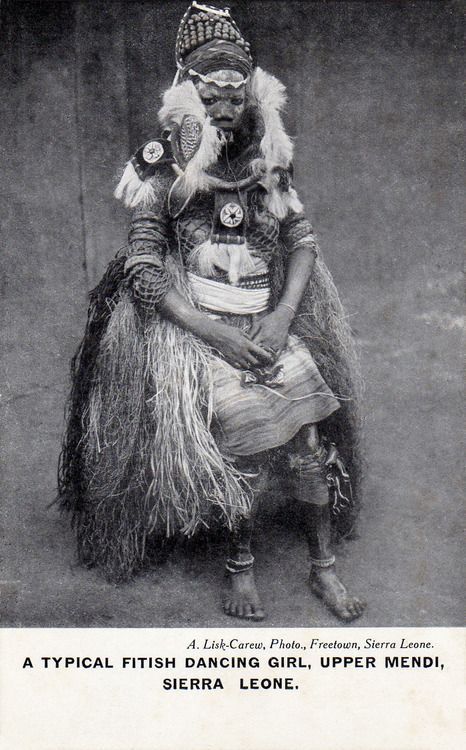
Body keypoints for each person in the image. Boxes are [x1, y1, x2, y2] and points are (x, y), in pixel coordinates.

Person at [59, 1, 365, 622]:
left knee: (309, 438)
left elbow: (302, 244)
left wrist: (280, 319)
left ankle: (323, 569)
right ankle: (240, 565)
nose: (225, 106)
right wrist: (212, 334)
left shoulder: (267, 166)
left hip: (266, 323)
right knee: (240, 438)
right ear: (189, 98)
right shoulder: (162, 173)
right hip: (199, 332)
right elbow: (145, 272)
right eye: (211, 94)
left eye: (235, 94)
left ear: (252, 97)